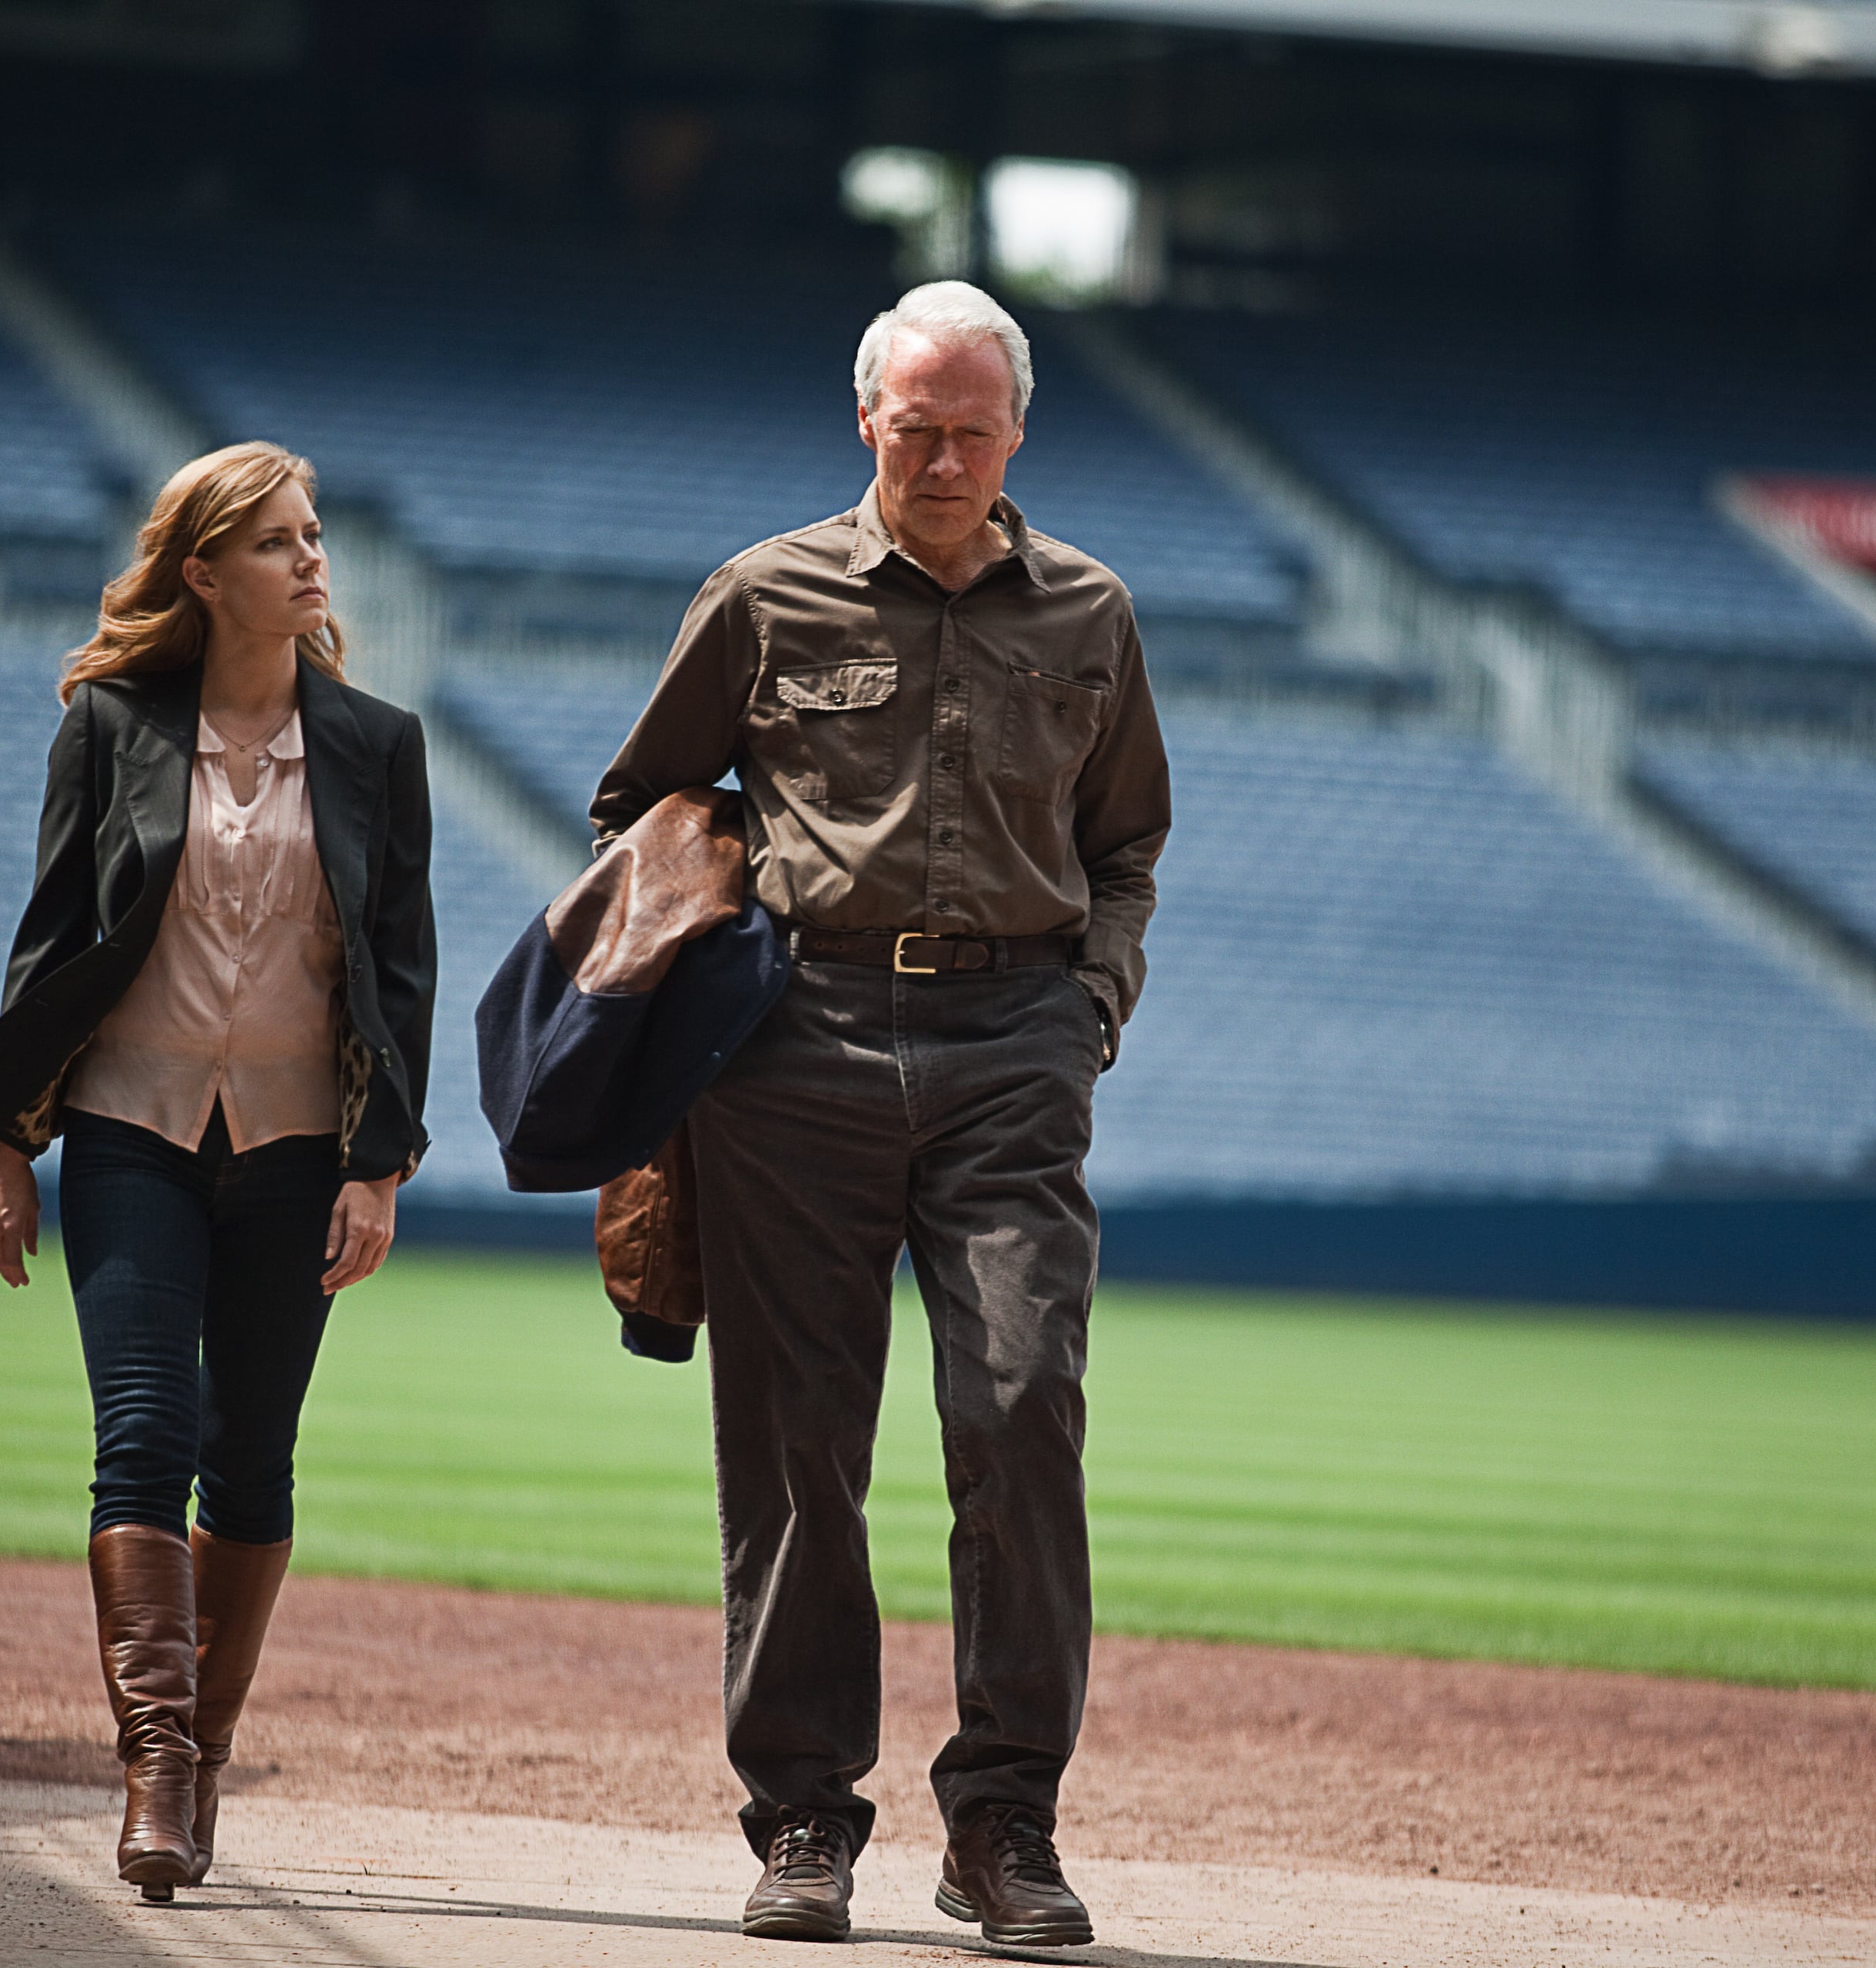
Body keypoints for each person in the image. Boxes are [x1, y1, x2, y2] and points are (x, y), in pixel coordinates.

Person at [590, 281, 1169, 1949]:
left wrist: (1089, 1008)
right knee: (793, 1446)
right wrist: (705, 992)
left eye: (972, 428)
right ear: (868, 421)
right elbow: (643, 801)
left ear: (1017, 433)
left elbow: (1126, 843)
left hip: (1014, 1044)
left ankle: (1003, 1823)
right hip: (802, 1044)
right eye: (915, 426)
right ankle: (801, 1818)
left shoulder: (1092, 613)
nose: (942, 454)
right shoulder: (763, 593)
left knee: (1021, 1405)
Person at [0, 440, 436, 1903]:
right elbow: (52, 945)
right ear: (206, 570)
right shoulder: (109, 723)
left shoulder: (377, 745)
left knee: (254, 1460)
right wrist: (5, 1146)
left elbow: (398, 976)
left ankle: (205, 1752)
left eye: (314, 540)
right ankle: (157, 1767)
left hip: (298, 1147)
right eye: (281, 542)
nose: (313, 563)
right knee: (145, 1439)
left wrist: (380, 1167)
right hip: (129, 1128)